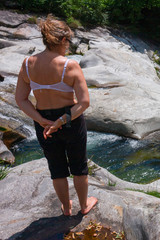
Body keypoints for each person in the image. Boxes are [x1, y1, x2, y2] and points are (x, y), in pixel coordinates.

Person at [15, 15, 97, 216]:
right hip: (70, 120)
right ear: (62, 40)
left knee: (56, 168)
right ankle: (84, 205)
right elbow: (84, 102)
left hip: (42, 120)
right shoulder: (70, 66)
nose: (69, 45)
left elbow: (21, 99)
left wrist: (41, 120)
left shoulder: (27, 64)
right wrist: (61, 121)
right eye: (68, 41)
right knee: (79, 167)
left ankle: (67, 208)